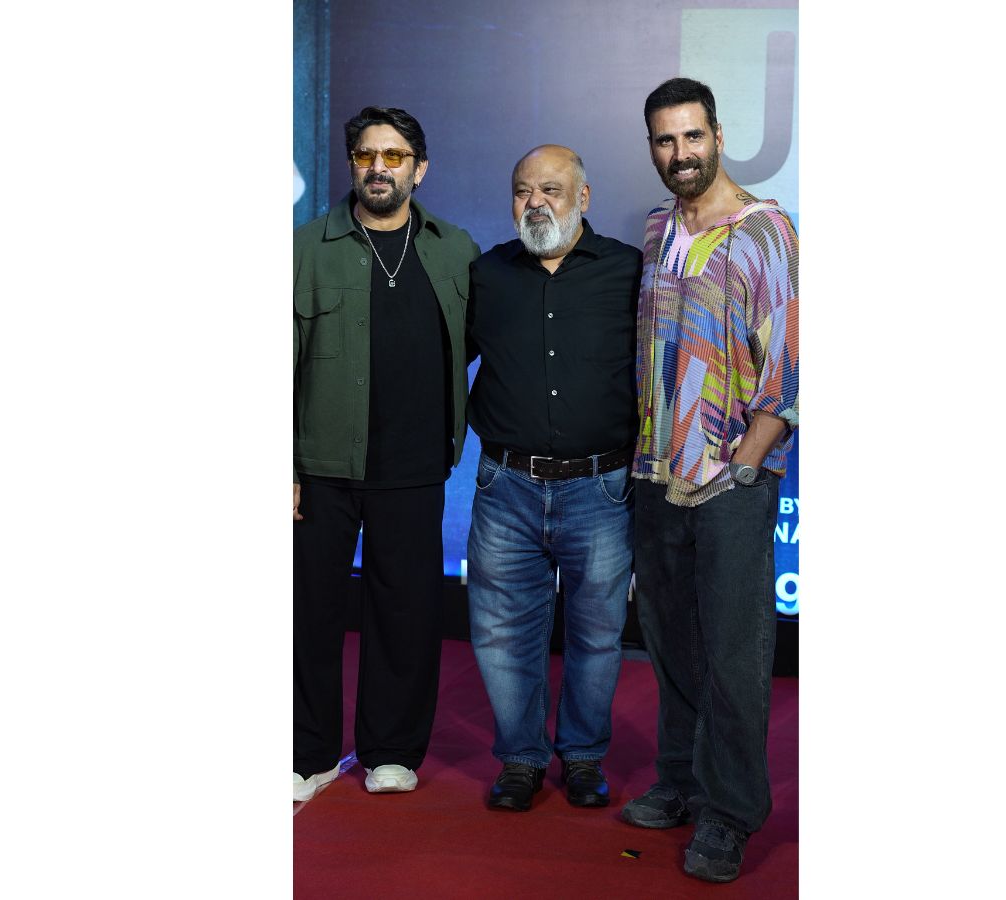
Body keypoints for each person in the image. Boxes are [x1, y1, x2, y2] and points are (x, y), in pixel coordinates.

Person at [620, 78, 799, 883]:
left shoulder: (766, 231)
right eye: (665, 140)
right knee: (673, 646)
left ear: (718, 137)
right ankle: (682, 783)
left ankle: (730, 815)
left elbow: (790, 367)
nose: (680, 153)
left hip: (730, 482)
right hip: (657, 474)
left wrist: (747, 465)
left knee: (733, 656)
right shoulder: (659, 229)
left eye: (692, 137)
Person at [292, 106, 480, 802]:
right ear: (352, 165)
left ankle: (392, 751)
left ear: (418, 169)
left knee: (406, 615)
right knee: (308, 614)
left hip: (414, 467)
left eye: (394, 156)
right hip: (319, 466)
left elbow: (473, 343)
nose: (379, 167)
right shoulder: (304, 249)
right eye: (366, 155)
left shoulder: (455, 249)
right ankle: (306, 753)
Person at [465, 145, 642, 813]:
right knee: (501, 633)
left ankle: (584, 758)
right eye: (522, 190)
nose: (534, 202)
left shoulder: (628, 271)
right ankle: (520, 760)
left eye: (551, 189)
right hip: (505, 487)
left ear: (583, 198)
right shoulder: (487, 274)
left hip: (601, 488)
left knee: (597, 634)